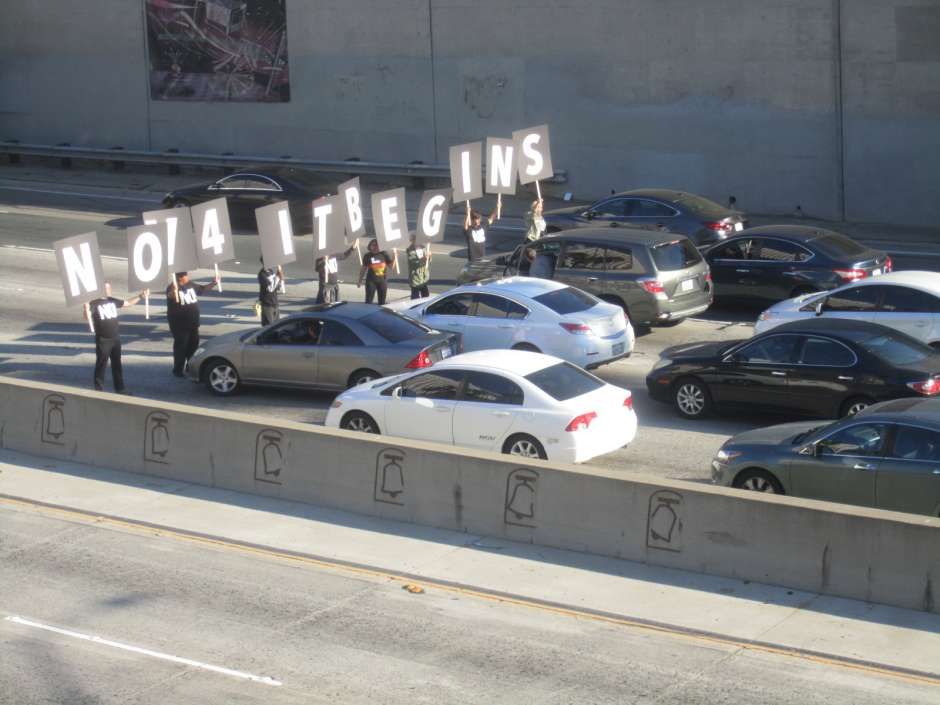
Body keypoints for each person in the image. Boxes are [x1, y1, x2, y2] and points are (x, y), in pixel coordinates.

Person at [85, 282, 146, 394]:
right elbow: (87, 316)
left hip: (115, 338)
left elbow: (127, 303)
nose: (109, 290)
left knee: (117, 364)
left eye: (109, 288)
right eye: (107, 288)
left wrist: (141, 296)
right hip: (103, 339)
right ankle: (98, 389)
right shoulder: (94, 303)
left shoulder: (111, 300)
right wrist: (86, 308)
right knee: (101, 364)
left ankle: (120, 388)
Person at [166, 271, 218, 378]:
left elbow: (202, 289)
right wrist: (174, 290)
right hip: (180, 325)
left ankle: (190, 367)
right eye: (185, 275)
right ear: (179, 277)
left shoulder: (190, 284)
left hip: (193, 323)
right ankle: (177, 370)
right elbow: (170, 295)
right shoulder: (173, 287)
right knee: (181, 348)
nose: (187, 277)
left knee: (193, 348)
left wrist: (214, 283)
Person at [357, 239, 396, 305]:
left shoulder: (384, 254)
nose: (375, 247)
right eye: (373, 245)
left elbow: (391, 267)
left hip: (382, 282)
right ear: (370, 246)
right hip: (371, 282)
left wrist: (395, 256)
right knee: (368, 302)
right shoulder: (367, 256)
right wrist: (359, 281)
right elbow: (363, 269)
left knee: (382, 303)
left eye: (377, 245)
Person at [257, 258, 284, 326]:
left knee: (277, 325)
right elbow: (270, 288)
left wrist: (280, 274)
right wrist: (278, 275)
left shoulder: (271, 271)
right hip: (267, 304)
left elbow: (277, 286)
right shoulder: (262, 274)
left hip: (275, 303)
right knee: (268, 326)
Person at [406, 233, 431, 299]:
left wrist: (429, 256)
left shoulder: (423, 247)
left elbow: (428, 260)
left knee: (426, 297)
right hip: (416, 279)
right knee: (415, 298)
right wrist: (425, 258)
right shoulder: (410, 251)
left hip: (424, 277)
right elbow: (415, 263)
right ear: (412, 240)